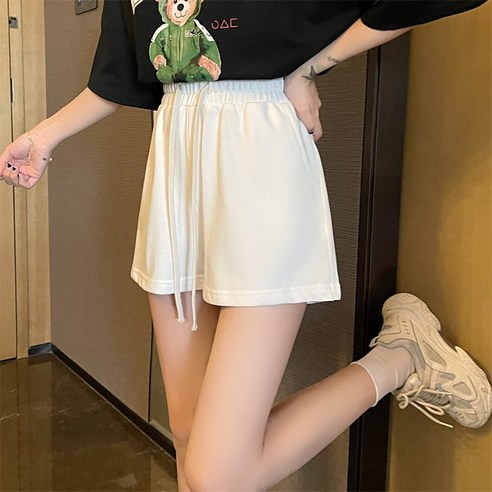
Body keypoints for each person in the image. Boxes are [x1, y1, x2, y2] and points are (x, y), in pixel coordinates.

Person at [1, 1, 490, 490]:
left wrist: (309, 67)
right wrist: (43, 138)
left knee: (217, 477)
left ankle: (400, 357)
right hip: (176, 174)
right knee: (189, 439)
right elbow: (119, 70)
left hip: (261, 159)